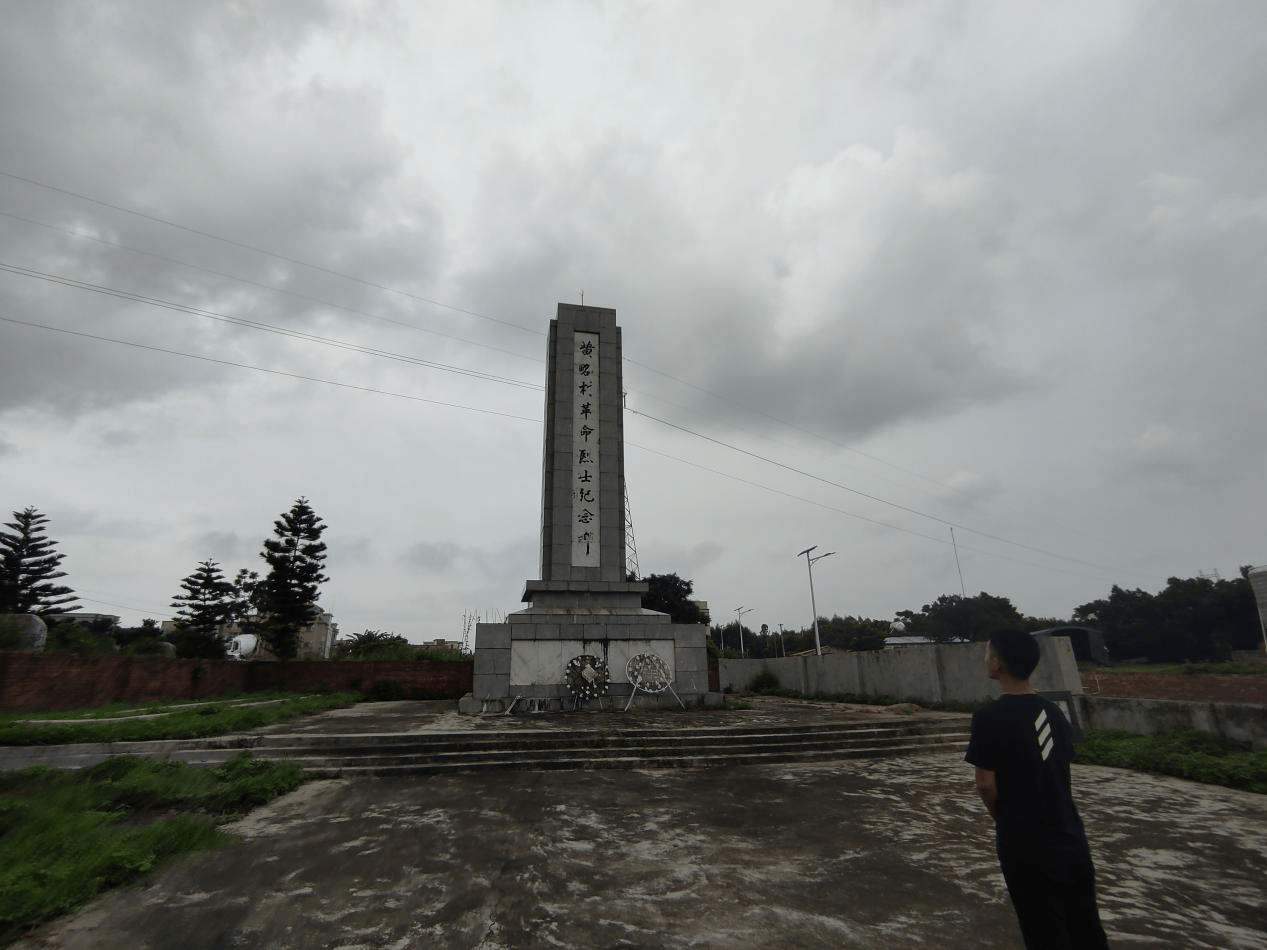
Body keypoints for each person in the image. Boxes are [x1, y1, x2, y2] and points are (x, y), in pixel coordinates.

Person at [964, 630, 1110, 949]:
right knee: (1085, 927)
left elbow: (985, 784)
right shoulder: (1055, 712)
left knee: (1043, 929)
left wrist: (1004, 819)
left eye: (989, 653)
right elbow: (1059, 765)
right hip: (1070, 836)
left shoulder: (989, 718)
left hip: (1025, 843)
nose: (986, 659)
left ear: (999, 663)